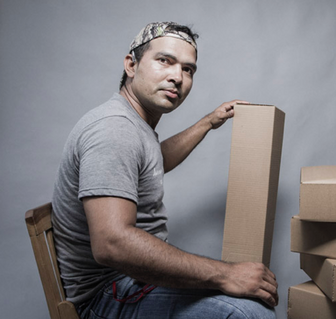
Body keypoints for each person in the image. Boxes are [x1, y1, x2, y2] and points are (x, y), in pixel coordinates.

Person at [52, 22, 278, 319]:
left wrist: (209, 121)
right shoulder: (113, 130)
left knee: (251, 296)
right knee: (248, 313)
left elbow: (153, 161)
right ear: (131, 64)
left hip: (132, 280)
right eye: (165, 61)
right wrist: (225, 274)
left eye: (188, 69)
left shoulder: (133, 124)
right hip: (109, 296)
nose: (177, 77)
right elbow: (112, 244)